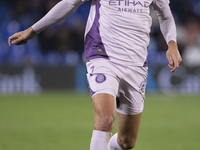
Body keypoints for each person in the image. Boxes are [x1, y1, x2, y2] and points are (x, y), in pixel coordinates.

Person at [8, 0, 182, 149]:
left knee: (127, 141)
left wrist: (172, 44)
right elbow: (70, 3)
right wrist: (33, 29)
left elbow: (165, 15)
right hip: (102, 55)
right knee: (105, 118)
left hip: (136, 64)